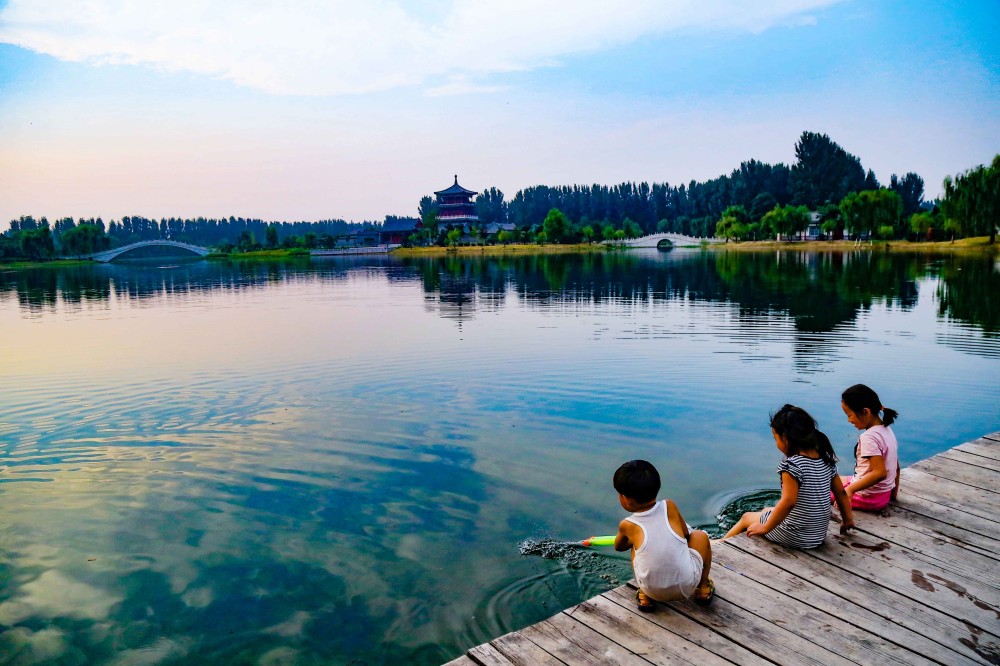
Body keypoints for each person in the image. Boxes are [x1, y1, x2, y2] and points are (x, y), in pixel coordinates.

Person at [724, 405, 854, 548]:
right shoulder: (826, 458)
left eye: (775, 438)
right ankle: (765, 519)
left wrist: (765, 528)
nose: (776, 443)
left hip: (794, 536)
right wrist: (847, 520)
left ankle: (721, 543)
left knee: (746, 517)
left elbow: (788, 502)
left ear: (785, 437)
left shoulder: (792, 466)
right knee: (767, 510)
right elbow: (840, 492)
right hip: (817, 535)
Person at [613, 459, 714, 612]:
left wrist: (631, 540)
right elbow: (687, 535)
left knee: (636, 547)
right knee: (700, 536)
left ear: (625, 498)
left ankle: (645, 597)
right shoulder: (670, 506)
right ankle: (702, 589)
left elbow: (619, 547)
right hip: (686, 587)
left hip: (651, 590)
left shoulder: (628, 525)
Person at [840, 384, 900, 511]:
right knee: (832, 478)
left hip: (868, 498)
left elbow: (880, 473)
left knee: (817, 491)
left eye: (849, 414)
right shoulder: (886, 430)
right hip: (882, 495)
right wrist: (893, 494)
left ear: (866, 412)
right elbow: (896, 467)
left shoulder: (868, 437)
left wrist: (850, 490)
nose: (848, 420)